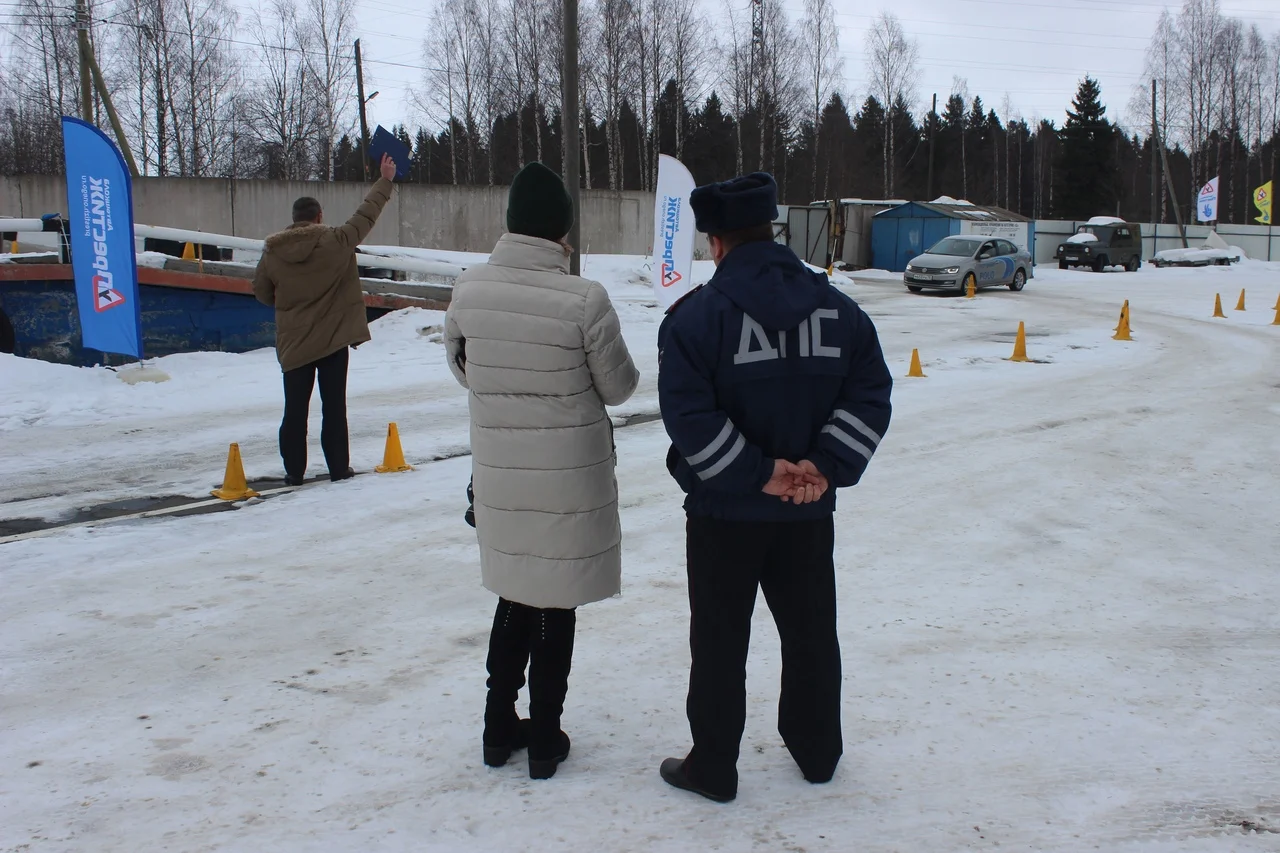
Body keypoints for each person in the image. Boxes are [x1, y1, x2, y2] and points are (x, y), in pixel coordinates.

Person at [656, 172, 893, 803]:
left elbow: (688, 417)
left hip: (723, 516)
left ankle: (714, 766)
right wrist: (821, 467)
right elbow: (870, 393)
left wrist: (759, 474)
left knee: (719, 643)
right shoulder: (840, 310)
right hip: (808, 514)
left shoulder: (694, 319)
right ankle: (818, 754)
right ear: (772, 230)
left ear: (717, 244)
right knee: (812, 635)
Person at [445, 162, 640, 780]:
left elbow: (463, 370)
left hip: (502, 476)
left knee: (514, 597)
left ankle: (497, 726)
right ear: (562, 230)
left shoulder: (468, 290)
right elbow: (619, 387)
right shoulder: (584, 298)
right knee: (557, 607)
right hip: (568, 481)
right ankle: (548, 735)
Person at [252, 153, 398, 486]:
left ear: (293, 220)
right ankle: (337, 468)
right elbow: (366, 214)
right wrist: (385, 179)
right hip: (332, 341)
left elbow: (260, 291)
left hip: (293, 344)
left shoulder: (273, 253)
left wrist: (287, 302)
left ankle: (293, 471)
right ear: (319, 216)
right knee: (334, 408)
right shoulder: (336, 240)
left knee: (294, 411)